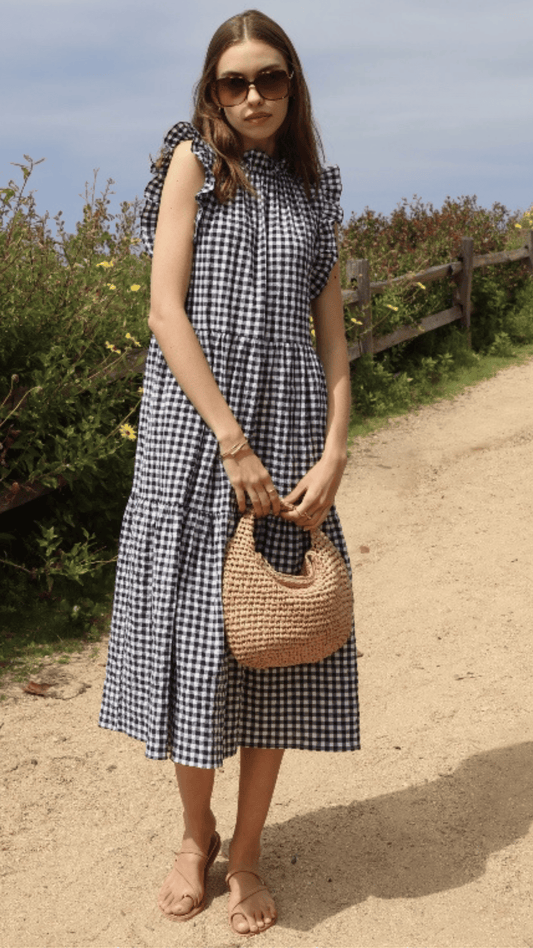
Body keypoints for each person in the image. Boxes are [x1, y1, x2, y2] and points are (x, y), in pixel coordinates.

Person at [99, 8, 359, 937]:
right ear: (211, 92)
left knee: (279, 637)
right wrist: (229, 439)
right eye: (233, 82)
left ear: (294, 86)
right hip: (195, 438)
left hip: (293, 437)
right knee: (195, 640)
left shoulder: (318, 194)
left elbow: (333, 346)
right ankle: (193, 836)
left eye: (271, 78)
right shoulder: (194, 164)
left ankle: (246, 853)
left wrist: (334, 449)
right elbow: (167, 313)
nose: (253, 96)